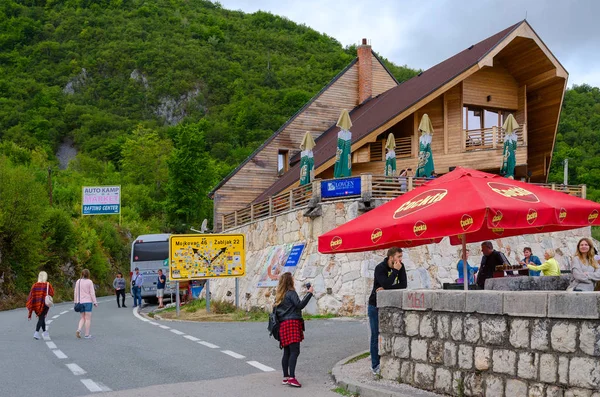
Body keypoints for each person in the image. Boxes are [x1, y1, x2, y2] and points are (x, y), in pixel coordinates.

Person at [368, 247, 407, 375]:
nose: (401, 260)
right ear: (391, 257)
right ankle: (375, 365)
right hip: (375, 305)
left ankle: (388, 360)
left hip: (389, 306)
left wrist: (386, 289)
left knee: (389, 334)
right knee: (375, 335)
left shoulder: (400, 266)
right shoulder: (380, 268)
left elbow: (403, 284)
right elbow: (386, 282)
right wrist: (395, 272)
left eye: (401, 257)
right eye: (399, 257)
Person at [274, 272, 314, 388]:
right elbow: (299, 305)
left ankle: (286, 377)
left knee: (287, 351)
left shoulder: (279, 295)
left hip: (283, 325)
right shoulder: (291, 293)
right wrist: (309, 293)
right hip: (292, 324)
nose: (294, 280)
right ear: (289, 281)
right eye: (292, 279)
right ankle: (292, 378)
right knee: (295, 351)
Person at [26, 271, 54, 340]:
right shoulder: (47, 284)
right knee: (41, 318)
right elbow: (52, 293)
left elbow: (31, 295)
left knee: (42, 318)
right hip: (44, 304)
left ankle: (45, 332)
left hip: (36, 304)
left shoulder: (34, 285)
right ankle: (36, 332)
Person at [74, 269, 98, 339]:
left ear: (82, 274)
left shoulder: (78, 281)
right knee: (88, 319)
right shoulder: (89, 282)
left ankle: (79, 329)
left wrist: (75, 301)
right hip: (88, 302)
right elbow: (92, 293)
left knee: (82, 317)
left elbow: (75, 292)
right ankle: (87, 334)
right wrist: (95, 302)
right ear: (88, 274)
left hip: (80, 302)